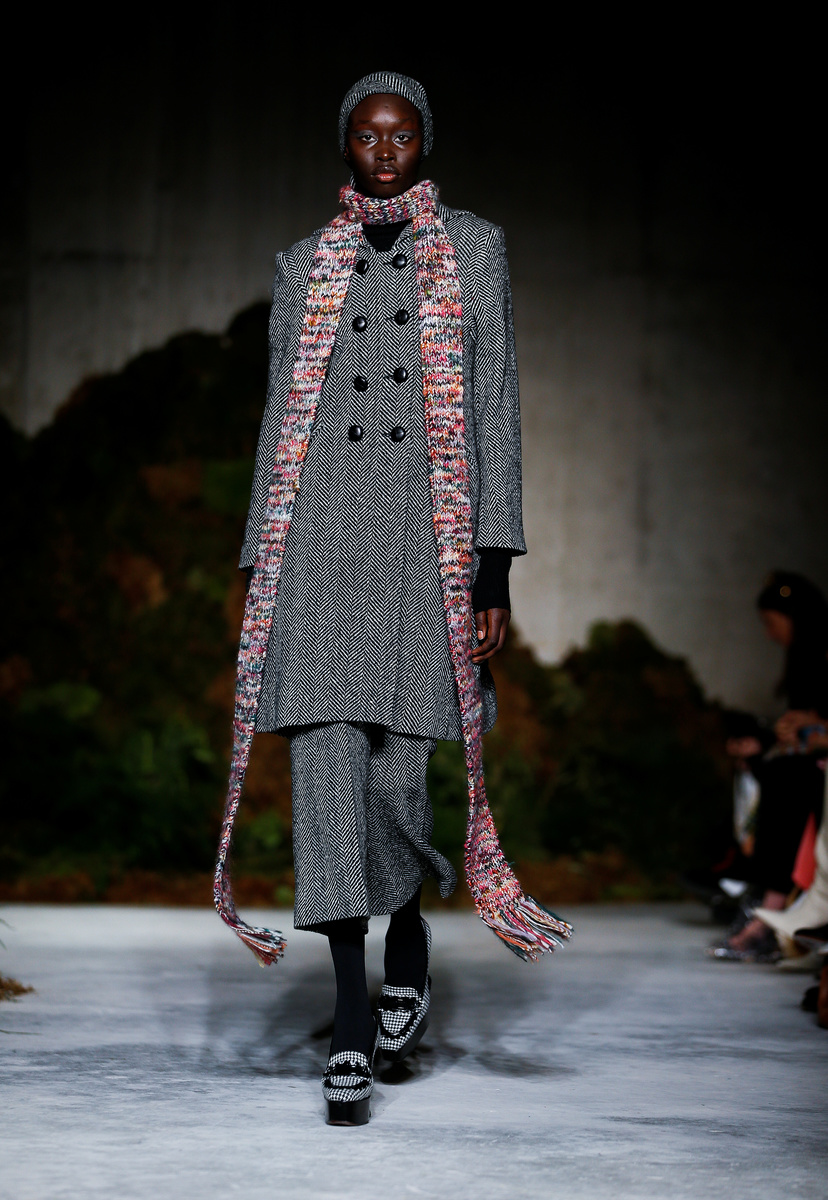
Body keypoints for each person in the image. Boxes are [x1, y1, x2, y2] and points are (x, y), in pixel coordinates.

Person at [212, 71, 571, 1125]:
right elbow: (279, 415)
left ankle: (406, 933)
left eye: (401, 134)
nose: (383, 149)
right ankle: (350, 1019)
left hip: (425, 540)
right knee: (325, 773)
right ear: (345, 143)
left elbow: (494, 403)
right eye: (367, 134)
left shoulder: (475, 248)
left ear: (423, 142)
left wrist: (493, 564)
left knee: (399, 775)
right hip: (319, 541)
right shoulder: (302, 263)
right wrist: (259, 564)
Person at [713, 571, 828, 959]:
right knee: (763, 769)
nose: (768, 633)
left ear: (794, 617)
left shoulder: (820, 654)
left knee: (785, 780)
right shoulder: (802, 660)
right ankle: (751, 889)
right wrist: (776, 734)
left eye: (770, 622)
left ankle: (769, 908)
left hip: (814, 765)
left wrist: (812, 728)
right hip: (809, 760)